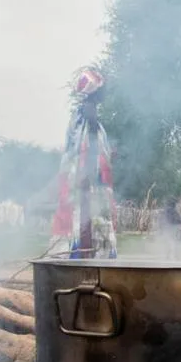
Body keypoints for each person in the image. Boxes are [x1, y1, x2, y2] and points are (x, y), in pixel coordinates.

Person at [50, 68, 119, 259]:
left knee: (87, 222)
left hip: (88, 180)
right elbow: (86, 149)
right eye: (102, 89)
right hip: (89, 183)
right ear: (94, 90)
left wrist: (108, 155)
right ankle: (86, 262)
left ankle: (84, 259)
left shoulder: (81, 114)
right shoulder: (88, 112)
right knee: (87, 222)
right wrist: (87, 176)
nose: (104, 93)